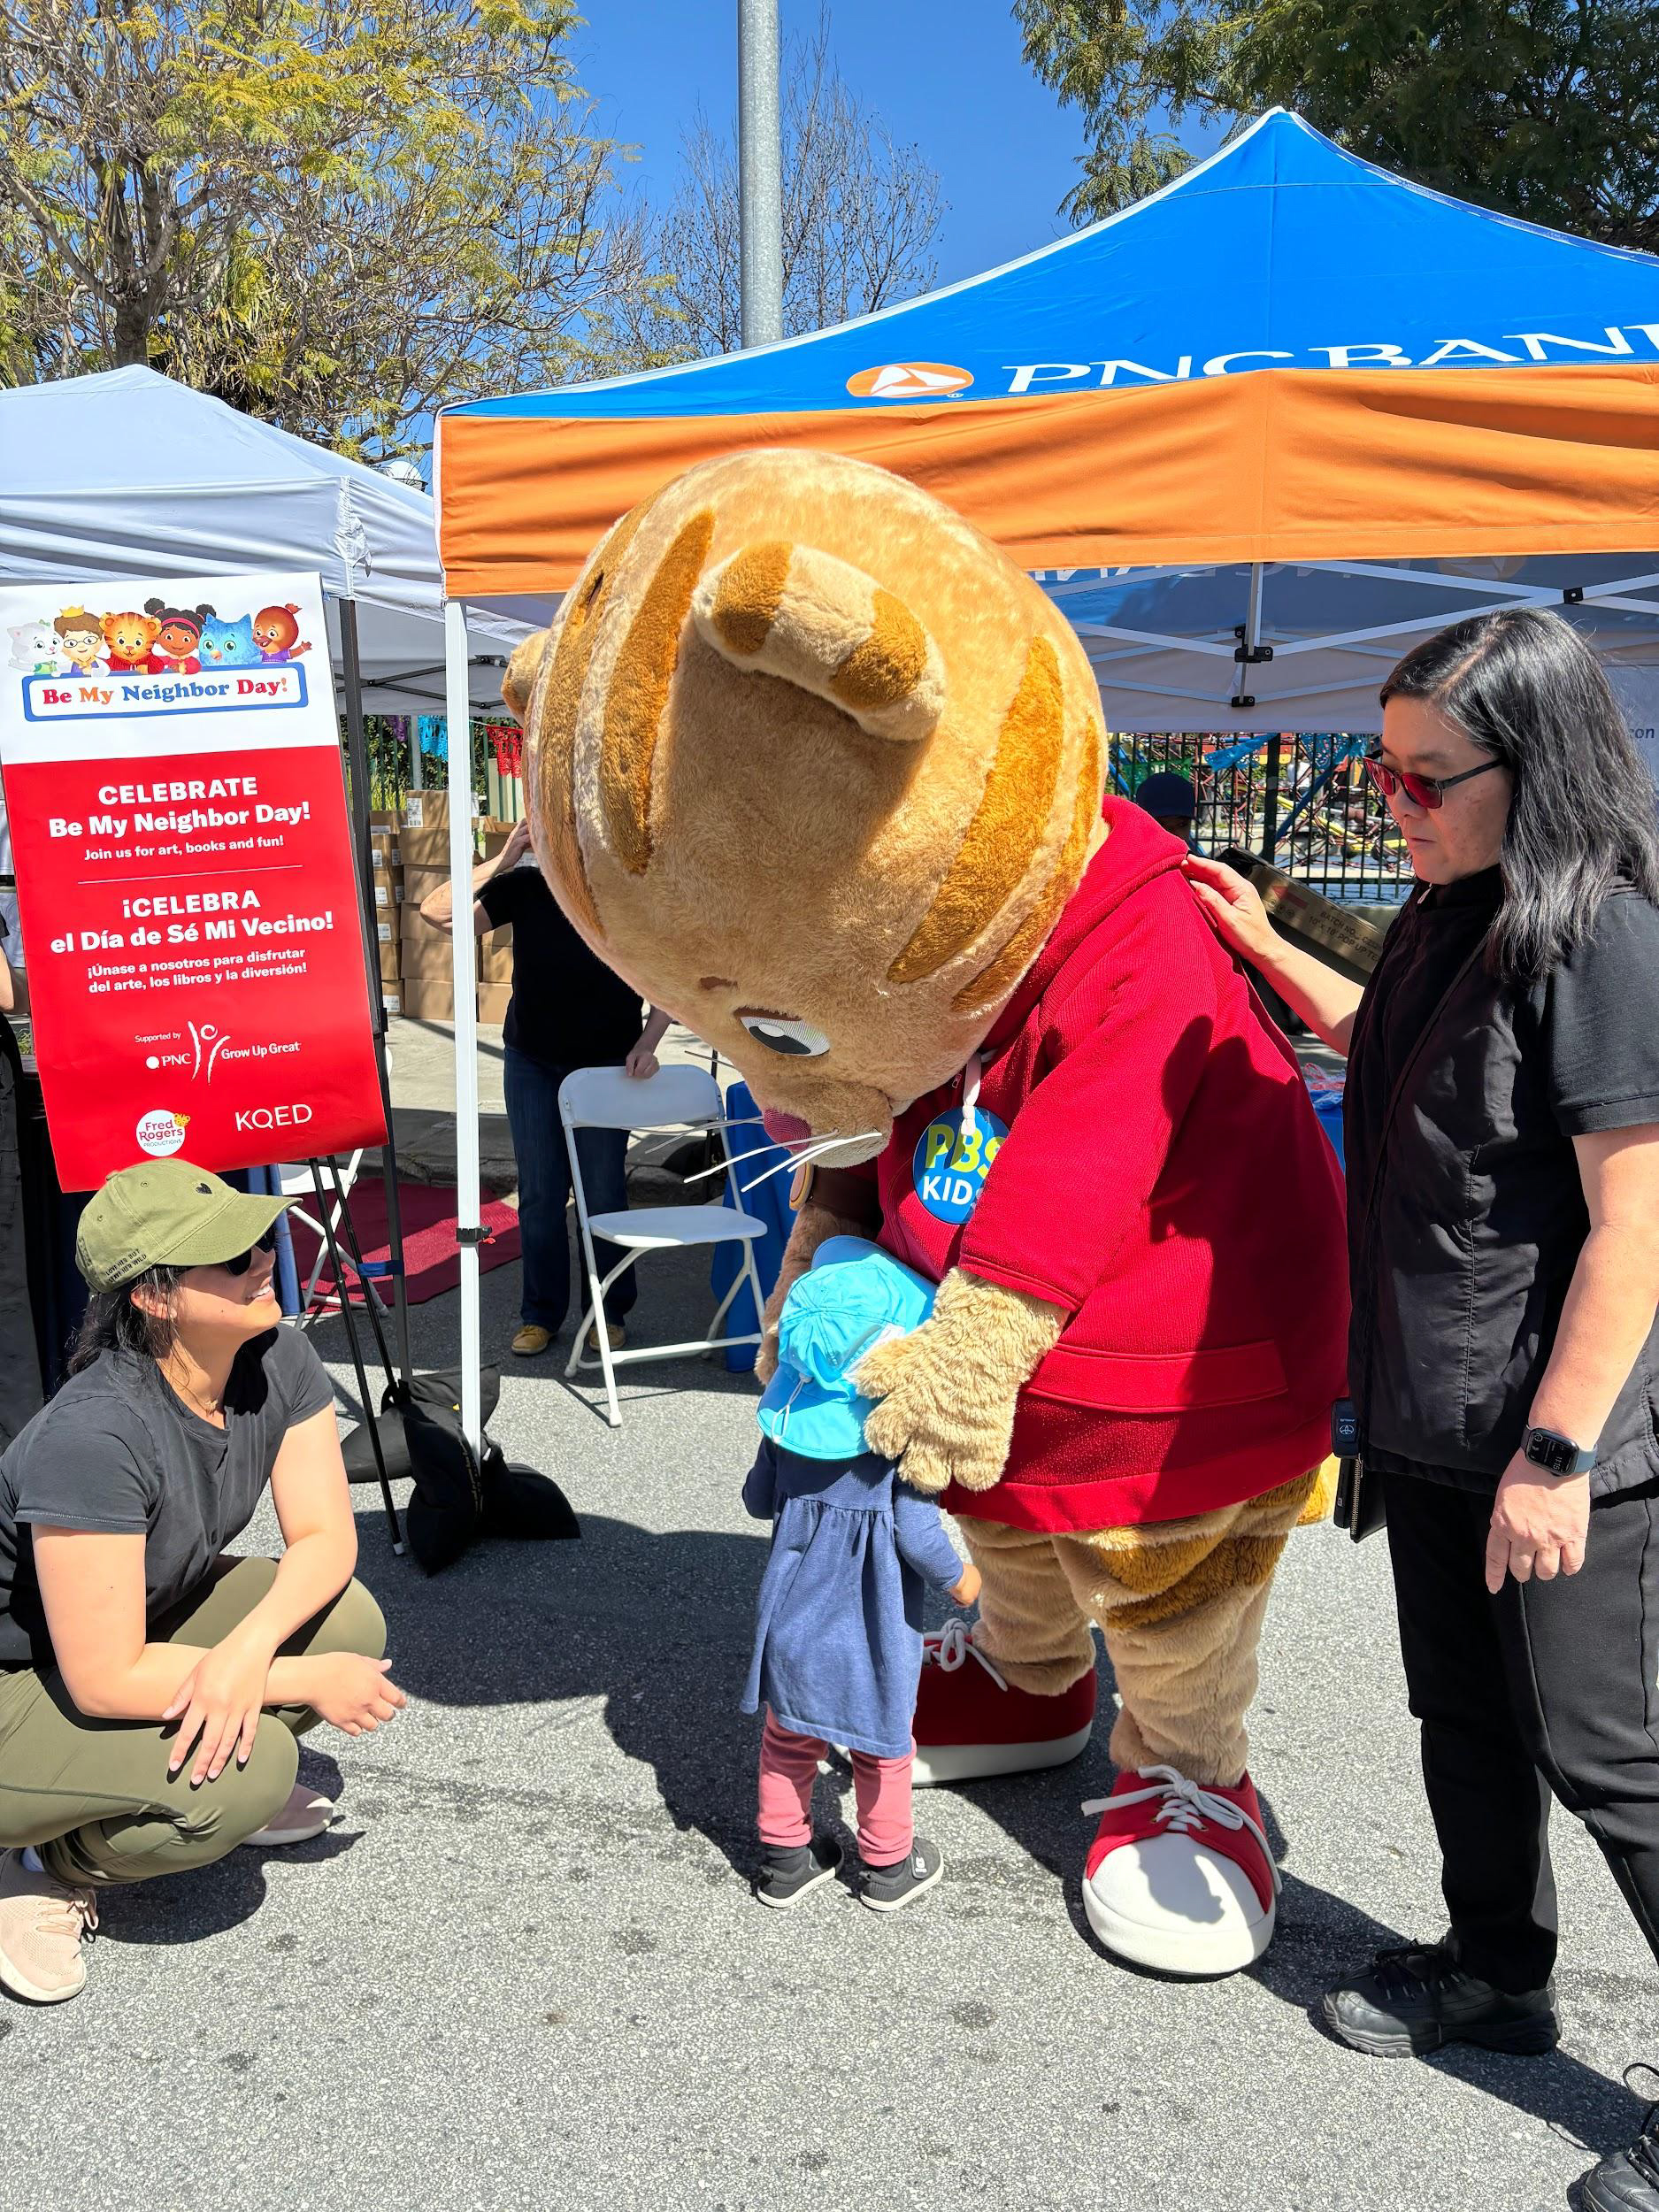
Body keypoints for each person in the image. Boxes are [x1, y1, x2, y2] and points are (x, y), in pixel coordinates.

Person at [1187, 607, 1659, 2212]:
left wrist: (1558, 1455)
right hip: (1432, 1414)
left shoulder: (1599, 938)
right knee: (1461, 1719)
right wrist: (1257, 933)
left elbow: (1639, 1228)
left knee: (1614, 1762)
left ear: (1536, 766)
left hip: (1556, 1441)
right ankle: (1495, 1971)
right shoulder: (1455, 914)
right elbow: (1376, 1053)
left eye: (1421, 779)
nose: (1394, 805)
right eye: (1379, 775)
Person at [0, 1160, 401, 2005]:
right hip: (18, 1685)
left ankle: (134, 1781)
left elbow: (326, 1537)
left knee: (344, 1620)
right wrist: (294, 1680)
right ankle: (39, 1863)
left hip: (101, 1644)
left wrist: (246, 1652)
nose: (266, 1259)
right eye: (234, 1258)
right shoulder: (95, 1436)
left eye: (261, 1239)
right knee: (243, 1783)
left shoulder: (278, 1353)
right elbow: (105, 1681)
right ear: (154, 1297)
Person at [741, 1238, 979, 1912]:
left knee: (788, 1739)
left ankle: (786, 1861)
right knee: (882, 1747)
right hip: (871, 1626)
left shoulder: (784, 1423)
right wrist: (963, 1581)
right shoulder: (894, 1438)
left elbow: (757, 1501)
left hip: (791, 1618)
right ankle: (887, 1868)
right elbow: (916, 1534)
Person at [418, 818, 671, 1361]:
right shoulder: (526, 885)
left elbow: (669, 974)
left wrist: (649, 1041)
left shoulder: (627, 891)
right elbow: (435, 914)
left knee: (602, 1194)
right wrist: (502, 861)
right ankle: (541, 1314)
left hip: (608, 1066)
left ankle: (608, 1311)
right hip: (532, 1060)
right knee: (539, 1193)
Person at [1133, 768, 1201, 848]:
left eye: (1181, 824)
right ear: (1139, 825)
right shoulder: (1120, 857)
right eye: (1160, 825)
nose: (1172, 834)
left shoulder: (1194, 859)